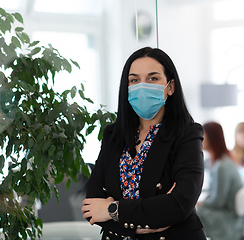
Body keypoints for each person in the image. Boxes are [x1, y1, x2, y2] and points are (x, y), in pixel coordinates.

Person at [81, 47, 206, 240]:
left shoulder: (187, 134)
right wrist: (137, 227)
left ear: (170, 86)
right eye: (134, 80)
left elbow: (179, 205)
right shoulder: (113, 135)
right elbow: (92, 206)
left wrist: (112, 209)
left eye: (153, 78)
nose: (142, 86)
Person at [197, 121, 244, 240]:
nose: (200, 138)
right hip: (230, 215)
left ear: (211, 137)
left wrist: (200, 203)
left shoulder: (221, 166)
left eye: (203, 135)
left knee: (191, 214)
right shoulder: (223, 161)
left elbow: (218, 202)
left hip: (227, 218)